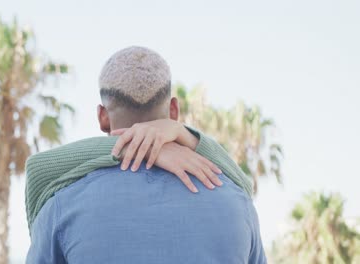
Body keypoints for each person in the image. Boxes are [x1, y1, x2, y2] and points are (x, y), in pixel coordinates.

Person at [26, 46, 266, 263]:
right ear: (173, 109)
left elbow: (39, 168)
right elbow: (242, 184)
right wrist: (187, 137)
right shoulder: (235, 201)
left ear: (102, 117)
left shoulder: (61, 204)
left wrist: (127, 145)